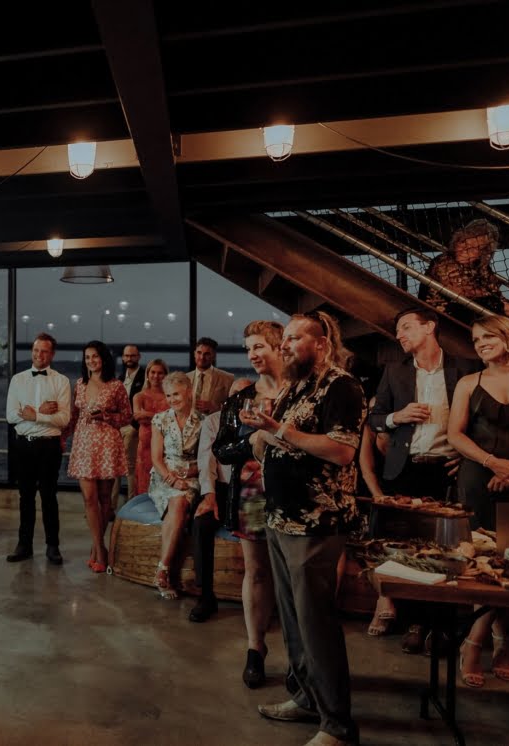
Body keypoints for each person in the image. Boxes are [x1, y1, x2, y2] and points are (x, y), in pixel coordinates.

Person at [241, 311, 364, 746]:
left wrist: (279, 430)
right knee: (292, 620)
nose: (285, 345)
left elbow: (342, 451)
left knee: (316, 624)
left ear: (322, 344)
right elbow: (280, 441)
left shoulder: (342, 387)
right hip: (279, 518)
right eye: (285, 339)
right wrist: (262, 436)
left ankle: (337, 725)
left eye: (294, 338)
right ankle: (307, 698)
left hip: (316, 522)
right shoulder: (295, 387)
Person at [366, 308, 479, 641]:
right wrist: (397, 417)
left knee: (447, 551)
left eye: (405, 327)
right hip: (406, 471)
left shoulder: (466, 369)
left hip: (448, 472)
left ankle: (439, 626)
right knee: (408, 550)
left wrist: (466, 457)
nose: (399, 335)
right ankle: (415, 623)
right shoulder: (394, 371)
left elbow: (480, 421)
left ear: (430, 327)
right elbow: (375, 418)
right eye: (397, 331)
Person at [448, 313, 509, 687]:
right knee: (482, 565)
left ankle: (478, 640)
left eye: (488, 336)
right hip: (478, 479)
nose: (481, 344)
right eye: (476, 339)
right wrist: (493, 463)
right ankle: (495, 641)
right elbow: (455, 434)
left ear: (508, 335)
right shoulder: (469, 382)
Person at [214, 320, 287, 688]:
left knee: (292, 576)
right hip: (252, 498)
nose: (252, 354)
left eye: (259, 346)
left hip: (294, 496)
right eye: (248, 349)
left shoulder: (301, 393)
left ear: (279, 346)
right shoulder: (240, 398)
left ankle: (300, 656)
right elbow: (221, 450)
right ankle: (255, 649)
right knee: (256, 571)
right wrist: (251, 442)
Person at [5, 333, 71, 564]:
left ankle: (53, 546)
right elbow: (11, 416)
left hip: (49, 446)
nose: (39, 355)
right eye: (36, 350)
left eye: (44, 351)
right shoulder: (17, 379)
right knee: (25, 497)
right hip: (23, 445)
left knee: (49, 497)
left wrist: (34, 415)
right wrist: (40, 412)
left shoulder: (61, 381)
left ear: (52, 354)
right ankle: (24, 545)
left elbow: (64, 419)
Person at [66, 340, 131, 572]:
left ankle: (96, 548)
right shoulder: (80, 384)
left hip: (107, 444)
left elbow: (127, 416)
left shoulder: (116, 386)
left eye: (95, 356)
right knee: (89, 498)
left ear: (103, 358)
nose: (91, 361)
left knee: (105, 499)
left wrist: (106, 416)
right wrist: (63, 436)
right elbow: (74, 415)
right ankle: (100, 548)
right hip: (84, 445)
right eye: (87, 357)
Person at [191, 377, 253, 623]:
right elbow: (206, 462)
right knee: (201, 523)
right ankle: (205, 596)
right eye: (235, 395)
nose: (239, 400)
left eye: (245, 395)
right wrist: (209, 496)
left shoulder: (259, 421)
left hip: (251, 490)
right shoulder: (213, 421)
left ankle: (264, 600)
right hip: (221, 488)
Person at [419, 218, 509, 328]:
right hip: (444, 313)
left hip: (474, 308)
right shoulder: (444, 262)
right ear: (456, 242)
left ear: (483, 253)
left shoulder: (480, 267)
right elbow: (465, 293)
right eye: (463, 243)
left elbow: (495, 293)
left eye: (473, 248)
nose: (465, 250)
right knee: (489, 304)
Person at [148, 371, 203, 599]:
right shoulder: (159, 419)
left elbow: (207, 459)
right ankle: (164, 571)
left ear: (189, 392)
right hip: (163, 475)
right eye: (169, 395)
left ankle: (163, 570)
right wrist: (171, 479)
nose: (172, 400)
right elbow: (156, 458)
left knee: (179, 503)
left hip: (192, 475)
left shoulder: (203, 421)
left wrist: (190, 473)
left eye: (176, 394)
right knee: (178, 502)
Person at [111, 345, 145, 512]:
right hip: (117, 428)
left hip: (133, 428)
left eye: (132, 355)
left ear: (138, 357)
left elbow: (145, 403)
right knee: (114, 468)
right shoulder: (120, 377)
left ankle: (131, 507)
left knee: (130, 468)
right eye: (126, 356)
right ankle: (111, 508)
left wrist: (134, 427)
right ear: (123, 358)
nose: (129, 359)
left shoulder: (145, 377)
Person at [132, 359, 170, 496]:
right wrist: (162, 416)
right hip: (146, 446)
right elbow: (138, 417)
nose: (156, 376)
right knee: (144, 486)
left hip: (166, 446)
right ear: (147, 374)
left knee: (163, 484)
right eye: (153, 372)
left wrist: (147, 414)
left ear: (165, 375)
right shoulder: (139, 396)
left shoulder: (170, 396)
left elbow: (172, 420)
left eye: (160, 373)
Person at [188, 337, 234, 414]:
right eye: (199, 353)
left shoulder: (228, 379)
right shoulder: (184, 378)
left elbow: (235, 408)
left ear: (214, 356)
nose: (202, 357)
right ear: (194, 354)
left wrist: (217, 407)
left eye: (207, 354)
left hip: (214, 420)